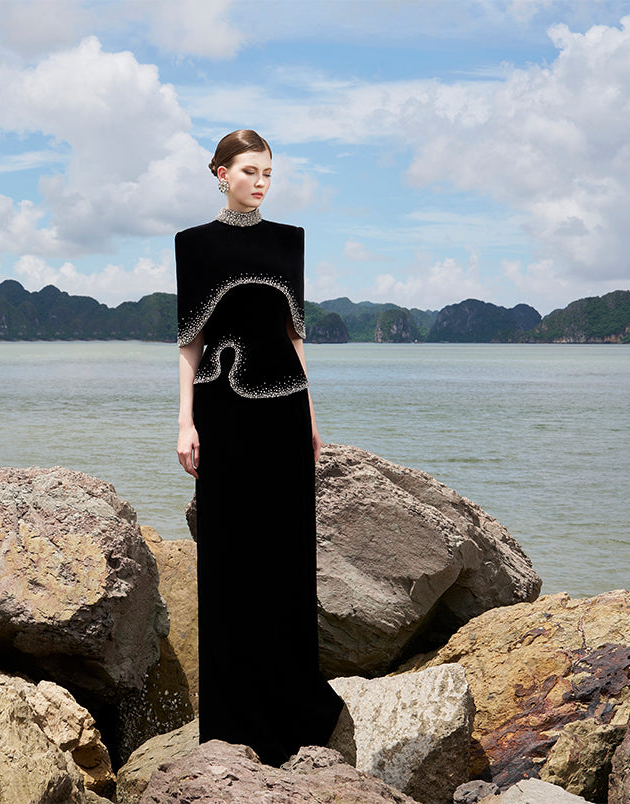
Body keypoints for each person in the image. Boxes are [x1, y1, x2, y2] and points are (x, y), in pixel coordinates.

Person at [174, 129, 344, 766]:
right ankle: (231, 719)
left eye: (268, 172)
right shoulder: (194, 245)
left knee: (286, 555)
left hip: (284, 413)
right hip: (223, 413)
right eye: (249, 171)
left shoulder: (288, 241)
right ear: (220, 173)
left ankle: (293, 710)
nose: (261, 182)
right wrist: (185, 422)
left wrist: (312, 419)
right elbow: (190, 344)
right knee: (229, 556)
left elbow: (294, 338)